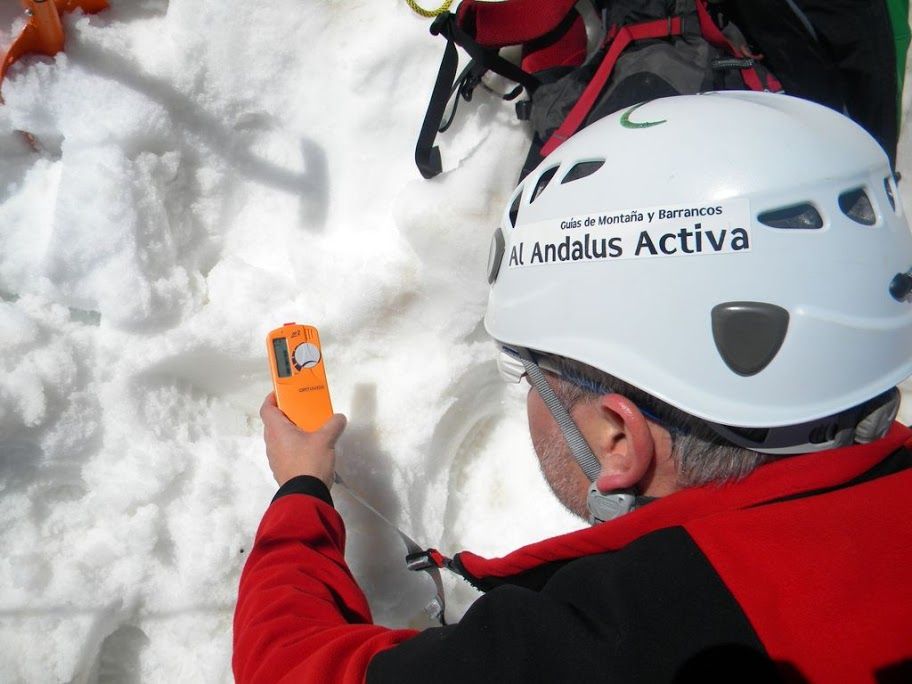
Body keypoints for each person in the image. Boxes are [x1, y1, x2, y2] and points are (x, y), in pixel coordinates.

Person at [233, 92, 912, 683]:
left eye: (531, 378)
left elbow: (290, 665)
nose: (529, 399)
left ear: (616, 437)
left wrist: (301, 492)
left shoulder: (627, 648)